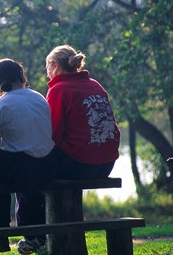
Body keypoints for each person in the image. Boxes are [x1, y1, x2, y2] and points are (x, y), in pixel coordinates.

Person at [0, 59, 55, 255]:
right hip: (47, 163)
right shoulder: (39, 98)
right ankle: (34, 235)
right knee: (22, 168)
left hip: (20, 166)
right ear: (22, 77)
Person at [45, 45, 120, 179]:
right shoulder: (96, 85)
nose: (47, 74)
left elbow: (53, 135)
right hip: (107, 165)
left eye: (47, 68)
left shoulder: (59, 90)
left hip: (79, 166)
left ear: (55, 64)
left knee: (31, 167)